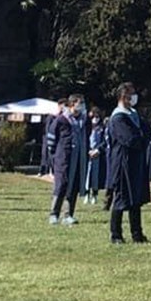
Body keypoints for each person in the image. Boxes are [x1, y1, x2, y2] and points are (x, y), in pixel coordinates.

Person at [106, 83, 150, 245]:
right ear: (124, 97)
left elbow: (147, 131)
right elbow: (129, 139)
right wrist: (141, 137)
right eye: (131, 94)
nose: (134, 97)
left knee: (135, 200)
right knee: (121, 198)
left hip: (136, 161)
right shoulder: (118, 117)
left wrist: (143, 137)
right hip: (122, 161)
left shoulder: (133, 114)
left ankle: (137, 233)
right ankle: (116, 233)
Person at [46, 96, 87, 225]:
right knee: (61, 185)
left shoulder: (84, 120)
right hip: (63, 158)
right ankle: (54, 214)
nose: (82, 106)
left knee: (73, 186)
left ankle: (68, 214)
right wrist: (54, 155)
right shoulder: (61, 119)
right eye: (80, 103)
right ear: (72, 104)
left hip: (78, 158)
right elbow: (51, 138)